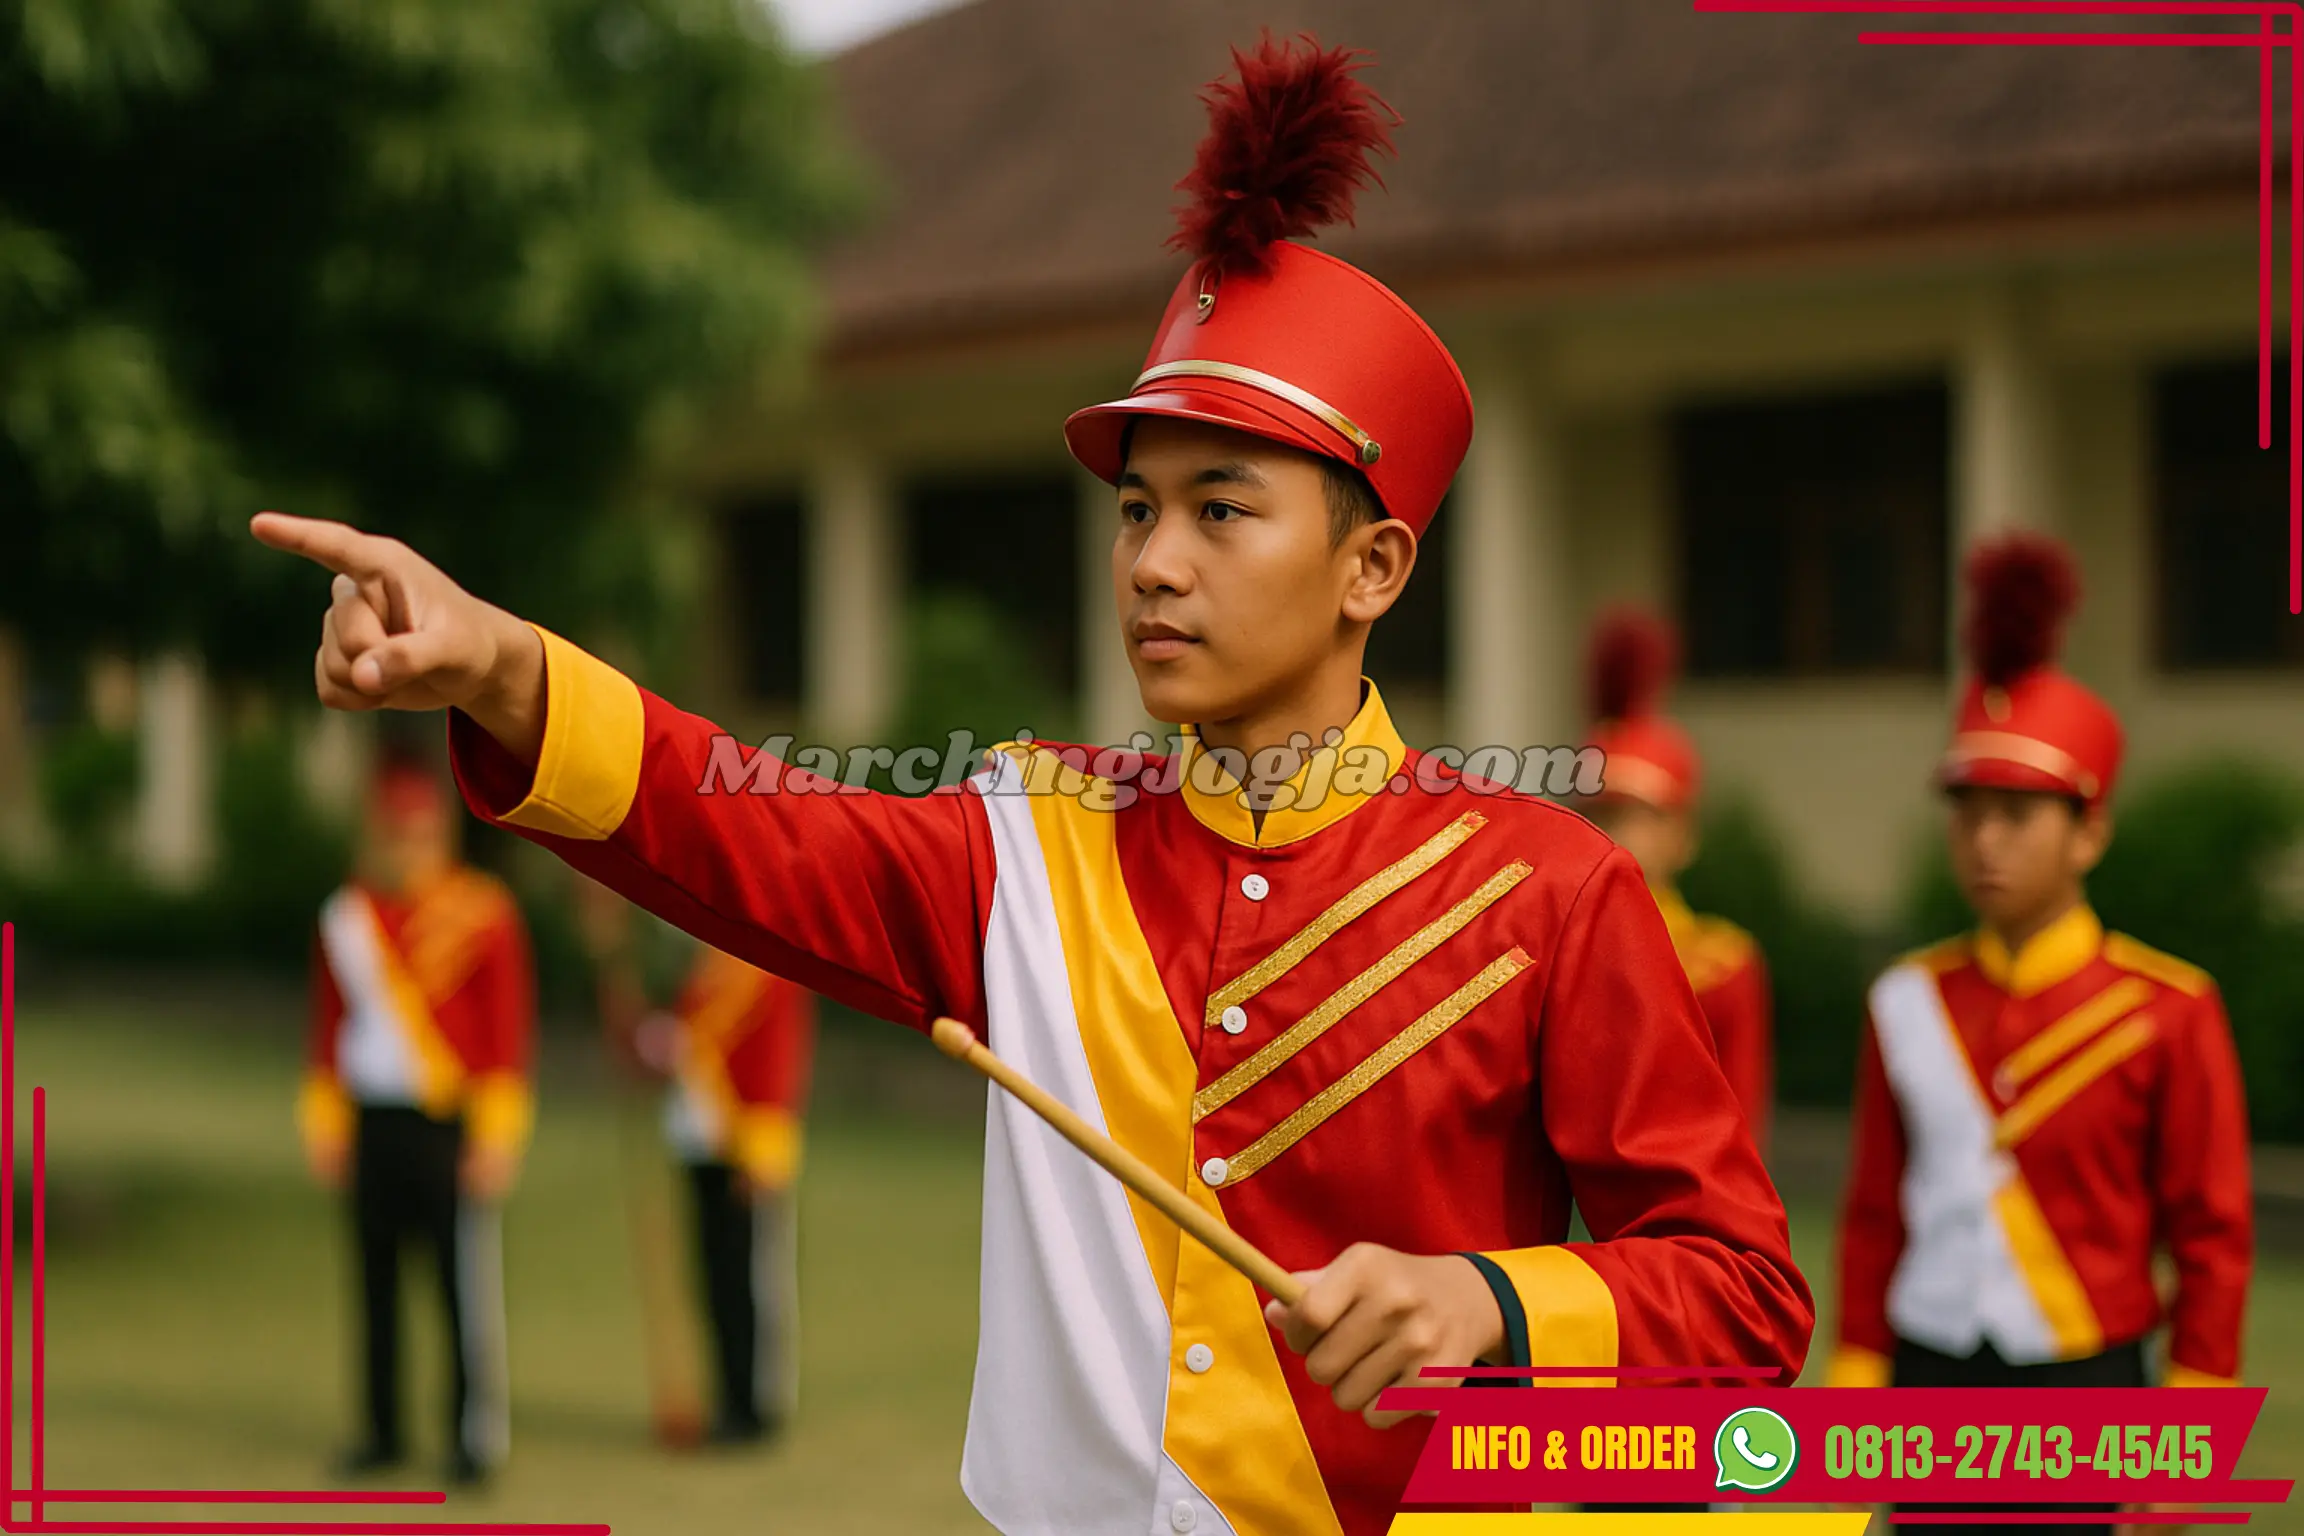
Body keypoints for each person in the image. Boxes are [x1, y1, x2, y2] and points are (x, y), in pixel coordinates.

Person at [255, 35, 1811, 1536]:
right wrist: (507, 670)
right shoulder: (1032, 840)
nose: (1153, 563)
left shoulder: (1545, 890)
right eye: (1136, 510)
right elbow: (747, 825)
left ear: (1374, 566)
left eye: (1221, 509)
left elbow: (1745, 1310)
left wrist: (1491, 1303)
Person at [1829, 534, 2253, 1536]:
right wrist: (1854, 1380)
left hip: (2087, 1376)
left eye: (2019, 813)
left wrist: (2194, 1417)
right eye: (1968, 810)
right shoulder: (1906, 997)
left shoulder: (2168, 1007)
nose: (1985, 841)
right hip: (1925, 1374)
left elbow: (2212, 1236)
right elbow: (1872, 1212)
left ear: (2091, 831)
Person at [299, 748, 537, 1486]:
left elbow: (505, 1034)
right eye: (394, 830)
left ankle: (474, 1435)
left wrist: (497, 1137)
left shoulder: (483, 912)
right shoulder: (348, 917)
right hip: (374, 1121)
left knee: (460, 1288)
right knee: (375, 1285)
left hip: (447, 1124)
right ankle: (382, 1428)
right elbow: (327, 1028)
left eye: (419, 830)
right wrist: (326, 1123)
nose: (406, 843)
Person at [579, 881, 815, 1448]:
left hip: (744, 1150)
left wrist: (763, 1153)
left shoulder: (765, 968)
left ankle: (756, 1405)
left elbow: (776, 1064)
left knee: (751, 1283)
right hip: (698, 1144)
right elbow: (658, 1048)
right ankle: (728, 1398)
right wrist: (612, 964)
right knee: (713, 1280)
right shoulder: (702, 979)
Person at [1581, 607, 1774, 1156]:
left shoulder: (1722, 966)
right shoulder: (1542, 953)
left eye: (1636, 815)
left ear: (1683, 835)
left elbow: (1741, 1134)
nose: (1614, 835)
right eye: (1600, 814)